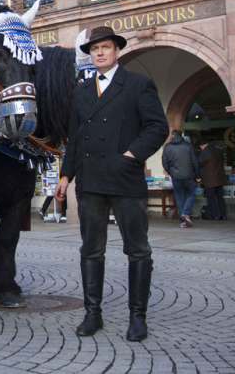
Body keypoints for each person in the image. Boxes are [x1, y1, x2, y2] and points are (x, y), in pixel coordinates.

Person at [55, 25, 169, 342]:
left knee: (138, 250)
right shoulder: (81, 91)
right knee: (91, 251)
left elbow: (158, 128)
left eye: (106, 47)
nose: (100, 52)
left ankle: (137, 317)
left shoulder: (138, 84)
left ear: (117, 50)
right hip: (90, 182)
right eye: (95, 49)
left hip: (126, 179)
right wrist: (65, 175)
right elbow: (75, 138)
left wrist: (131, 155)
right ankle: (92, 314)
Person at [161, 129, 201, 227]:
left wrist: (171, 173)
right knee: (191, 194)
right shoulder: (188, 146)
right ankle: (186, 214)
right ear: (181, 136)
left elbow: (164, 162)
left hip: (176, 176)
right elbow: (195, 162)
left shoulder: (167, 147)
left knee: (179, 197)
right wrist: (198, 175)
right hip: (188, 175)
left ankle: (183, 220)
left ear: (172, 135)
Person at [198, 139, 227, 220]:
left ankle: (215, 215)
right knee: (220, 197)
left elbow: (199, 163)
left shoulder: (205, 152)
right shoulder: (218, 151)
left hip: (210, 179)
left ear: (203, 146)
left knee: (211, 198)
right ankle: (223, 215)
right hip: (220, 177)